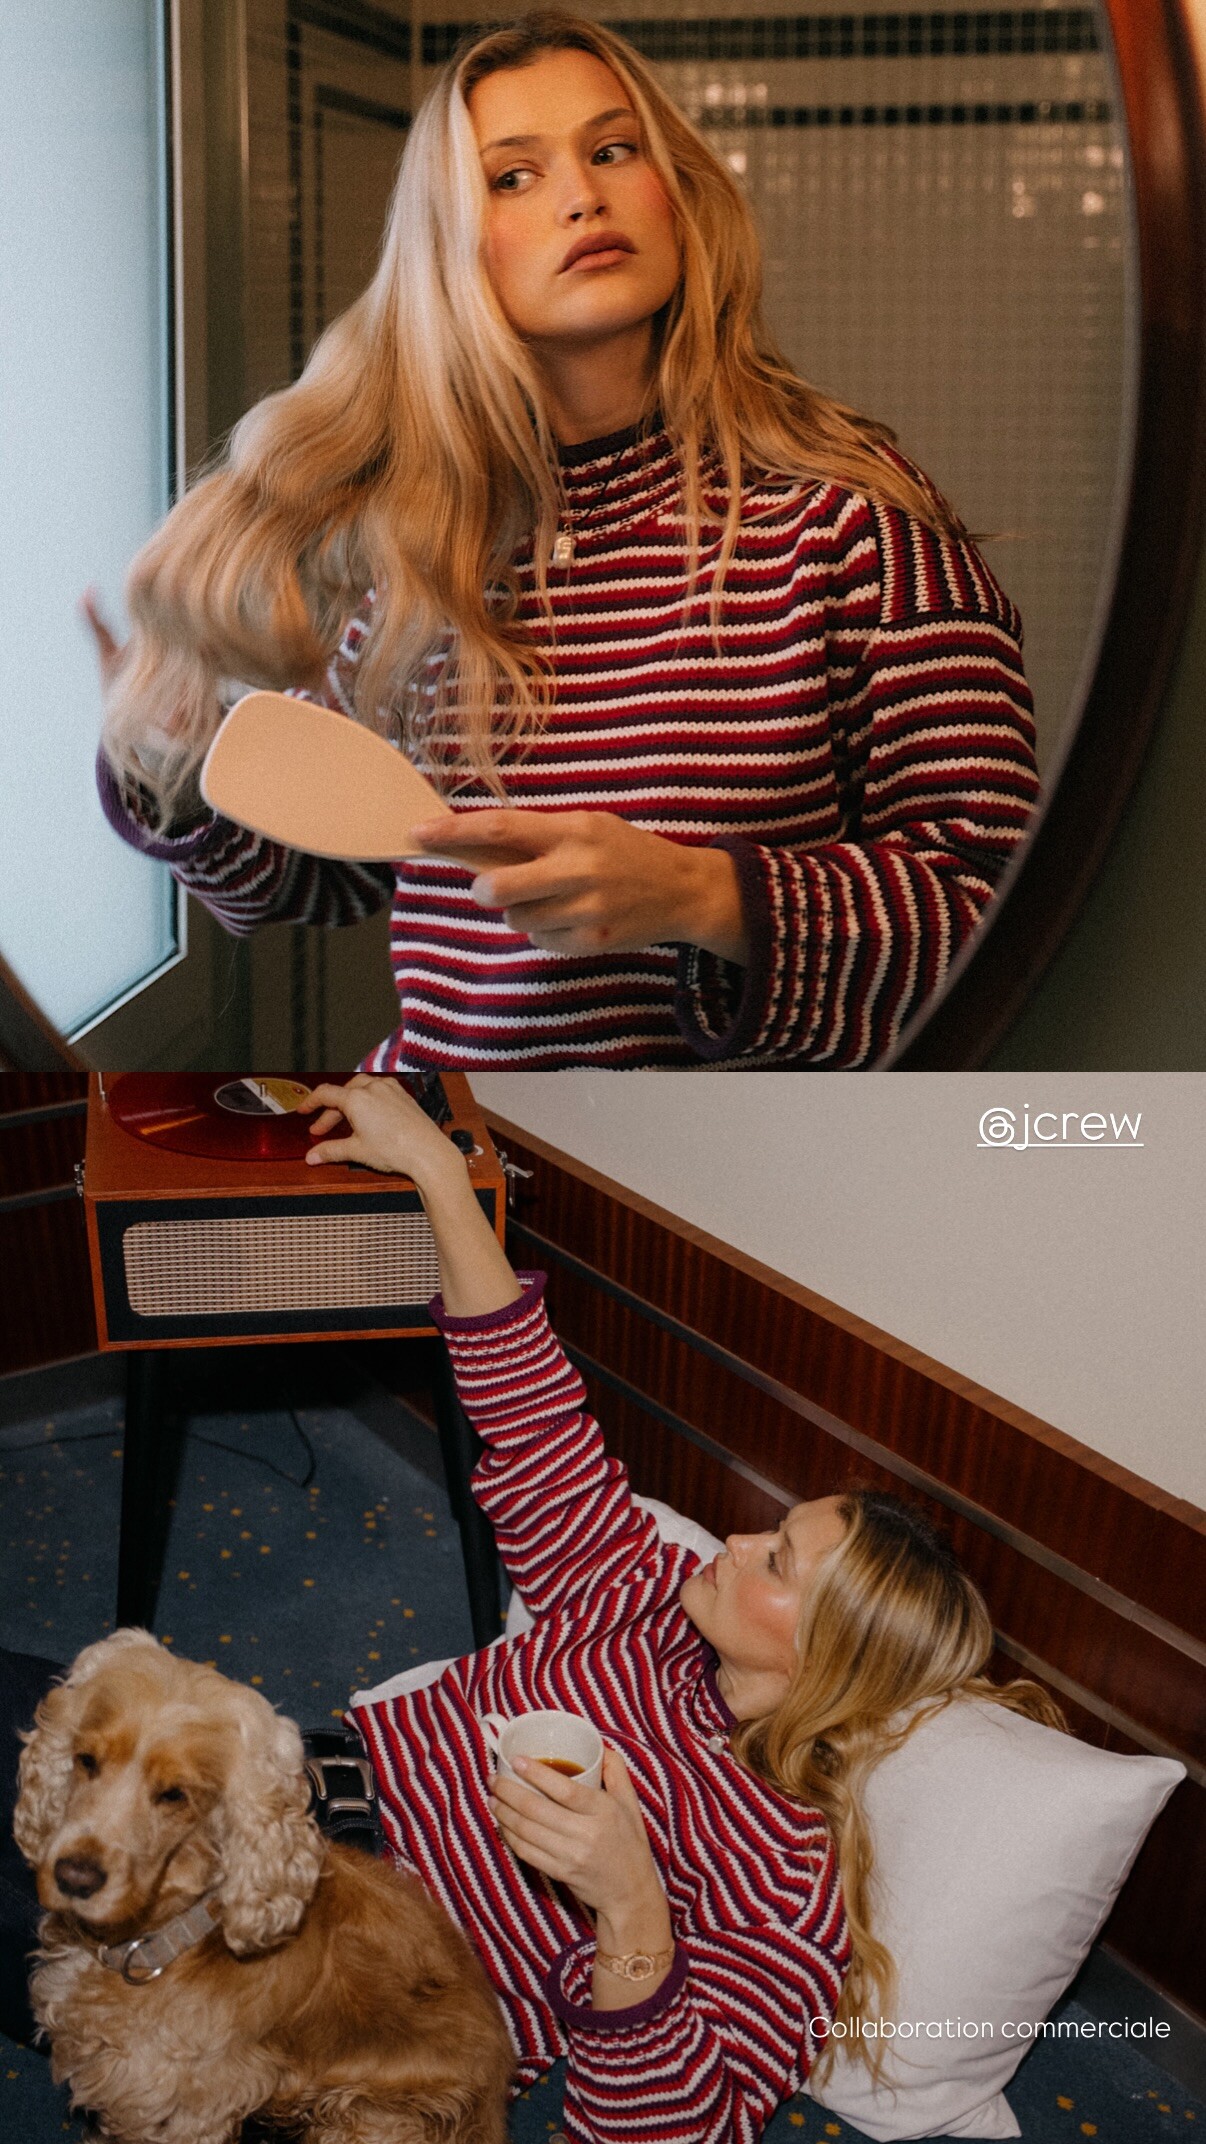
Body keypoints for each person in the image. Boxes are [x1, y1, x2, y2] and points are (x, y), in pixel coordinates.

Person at [0, 1077, 1064, 2142]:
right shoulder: (642, 1592)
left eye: (776, 1558)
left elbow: (674, 2129)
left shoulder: (784, 1874)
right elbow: (532, 1409)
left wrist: (630, 1902)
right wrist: (433, 1163)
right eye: (768, 1528)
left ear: (830, 1653)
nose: (736, 1541)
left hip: (338, 1973)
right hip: (277, 1779)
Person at [89, 11, 1039, 1070]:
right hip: (443, 1144)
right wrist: (172, 755)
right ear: (449, 249)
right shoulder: (425, 550)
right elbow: (320, 877)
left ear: (676, 191)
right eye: (513, 177)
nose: (581, 196)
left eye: (612, 150)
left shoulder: (852, 524)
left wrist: (703, 896)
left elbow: (1005, 919)